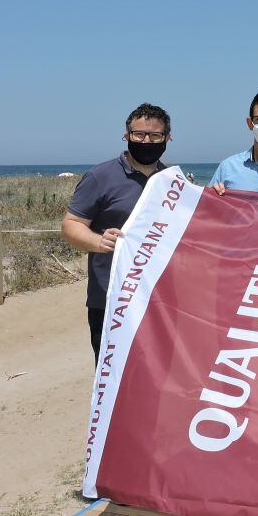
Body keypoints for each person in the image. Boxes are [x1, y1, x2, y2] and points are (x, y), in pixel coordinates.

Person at [61, 103, 172, 364]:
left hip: (158, 300)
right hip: (109, 300)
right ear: (127, 136)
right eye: (139, 134)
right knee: (112, 379)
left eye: (155, 135)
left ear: (167, 137)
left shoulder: (172, 181)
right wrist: (98, 241)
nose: (147, 141)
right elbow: (71, 224)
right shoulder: (100, 176)